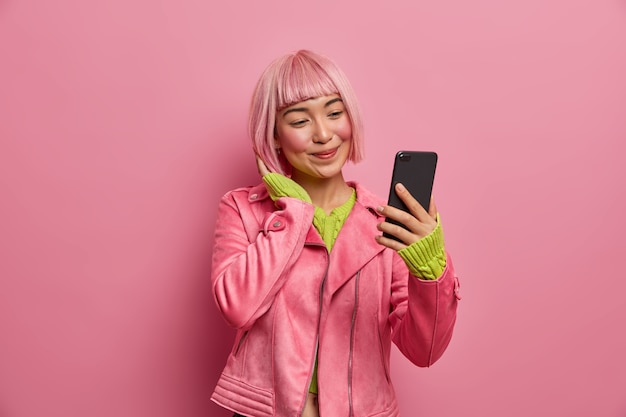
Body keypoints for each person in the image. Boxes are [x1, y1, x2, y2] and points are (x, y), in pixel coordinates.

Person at [210, 49, 461, 417]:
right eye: (300, 121)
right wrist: (293, 214)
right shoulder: (243, 210)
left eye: (334, 112)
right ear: (274, 135)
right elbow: (237, 307)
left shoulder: (386, 222)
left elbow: (423, 352)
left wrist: (430, 269)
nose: (324, 134)